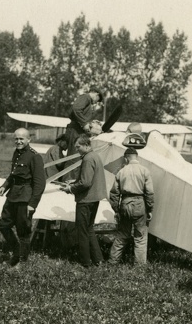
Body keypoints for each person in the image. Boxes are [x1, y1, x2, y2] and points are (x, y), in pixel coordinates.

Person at [0, 128, 46, 267]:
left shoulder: (34, 157)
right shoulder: (17, 153)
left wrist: (33, 204)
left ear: (28, 140)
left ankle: (22, 262)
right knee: (3, 225)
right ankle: (17, 252)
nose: (18, 141)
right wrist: (4, 186)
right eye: (16, 139)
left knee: (23, 231)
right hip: (12, 195)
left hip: (25, 198)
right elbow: (14, 175)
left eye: (21, 139)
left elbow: (40, 183)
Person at [61, 135, 108, 268]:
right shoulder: (95, 156)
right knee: (89, 229)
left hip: (86, 200)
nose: (77, 150)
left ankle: (85, 262)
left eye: (78, 147)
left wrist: (70, 188)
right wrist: (74, 181)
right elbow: (88, 179)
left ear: (87, 145)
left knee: (81, 231)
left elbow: (86, 182)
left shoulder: (87, 159)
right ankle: (98, 260)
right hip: (94, 198)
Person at [108, 147, 154, 265]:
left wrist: (116, 210)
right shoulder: (145, 171)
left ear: (126, 158)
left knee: (122, 235)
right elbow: (149, 192)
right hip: (140, 203)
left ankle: (113, 261)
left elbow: (114, 193)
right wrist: (149, 209)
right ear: (136, 157)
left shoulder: (121, 171)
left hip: (125, 203)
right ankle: (139, 265)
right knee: (140, 237)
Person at [64, 90, 103, 154]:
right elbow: (76, 109)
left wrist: (90, 122)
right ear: (96, 95)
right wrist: (85, 123)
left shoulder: (87, 100)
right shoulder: (85, 97)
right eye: (97, 100)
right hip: (75, 130)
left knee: (78, 154)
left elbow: (81, 114)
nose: (95, 103)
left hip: (78, 130)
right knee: (74, 155)